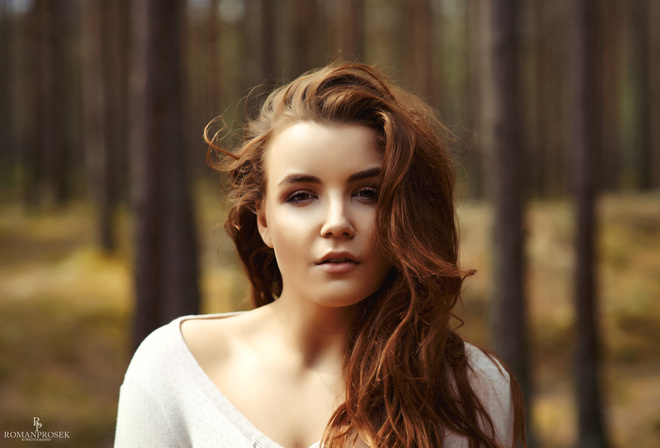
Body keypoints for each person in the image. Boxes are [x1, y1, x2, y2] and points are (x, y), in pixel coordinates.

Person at [114, 62, 526, 448]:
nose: (336, 223)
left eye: (367, 193)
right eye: (301, 196)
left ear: (405, 211)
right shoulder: (174, 368)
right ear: (263, 222)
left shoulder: (471, 387)